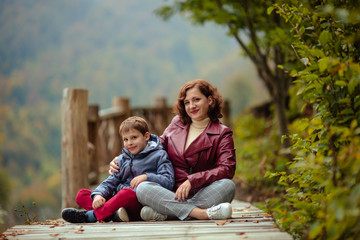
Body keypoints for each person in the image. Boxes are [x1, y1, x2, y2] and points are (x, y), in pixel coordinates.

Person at [110, 79, 236, 221]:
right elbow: (156, 145)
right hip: (168, 191)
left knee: (228, 186)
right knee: (143, 188)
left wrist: (192, 181)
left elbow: (227, 168)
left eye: (196, 100)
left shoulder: (222, 133)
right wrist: (124, 158)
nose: (191, 106)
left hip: (201, 191)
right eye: (187, 102)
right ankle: (201, 213)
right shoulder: (177, 122)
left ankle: (169, 213)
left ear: (210, 100)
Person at [62, 116, 174, 223]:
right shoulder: (122, 159)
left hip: (139, 203)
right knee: (82, 194)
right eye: (126, 139)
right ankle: (113, 213)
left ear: (146, 136)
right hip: (117, 199)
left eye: (134, 137)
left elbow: (168, 181)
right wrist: (98, 195)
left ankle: (91, 216)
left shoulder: (159, 155)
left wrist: (146, 177)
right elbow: (110, 182)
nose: (129, 143)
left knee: (125, 193)